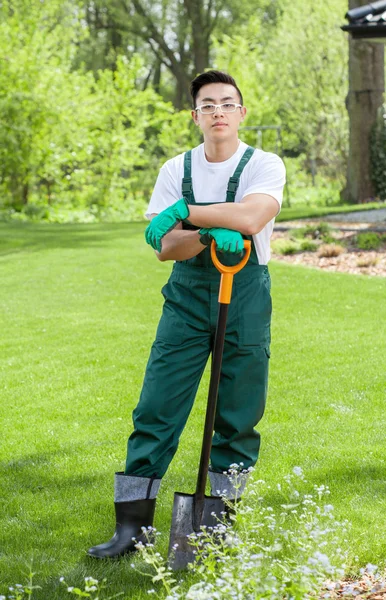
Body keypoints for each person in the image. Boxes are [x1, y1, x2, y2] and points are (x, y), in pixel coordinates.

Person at [88, 70, 286, 559]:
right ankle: (130, 529)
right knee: (156, 408)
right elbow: (166, 247)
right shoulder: (176, 167)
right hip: (188, 297)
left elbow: (251, 218)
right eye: (207, 104)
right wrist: (200, 235)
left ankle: (217, 528)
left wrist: (186, 211)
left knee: (237, 415)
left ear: (241, 113)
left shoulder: (265, 164)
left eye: (226, 103)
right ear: (195, 116)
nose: (217, 111)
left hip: (245, 294)